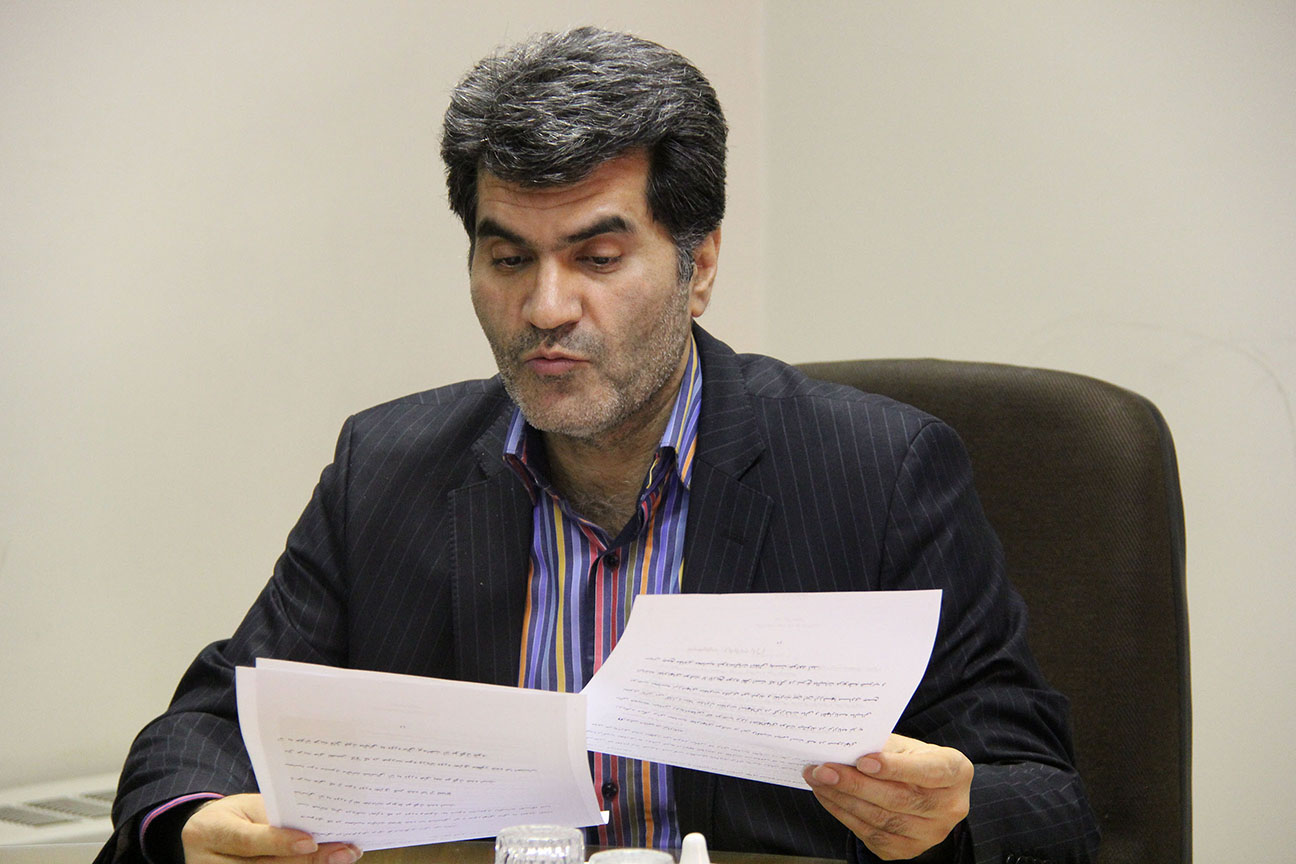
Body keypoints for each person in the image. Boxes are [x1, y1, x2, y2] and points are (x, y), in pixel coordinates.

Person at [96, 27, 1099, 864]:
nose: (545, 308)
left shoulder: (877, 472)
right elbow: (210, 725)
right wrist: (191, 823)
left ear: (700, 266)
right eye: (508, 258)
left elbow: (1046, 796)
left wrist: (952, 813)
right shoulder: (389, 469)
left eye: (599, 257)